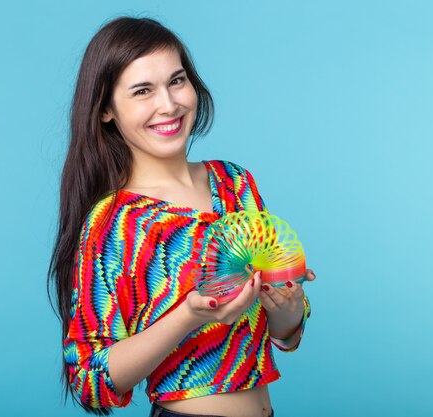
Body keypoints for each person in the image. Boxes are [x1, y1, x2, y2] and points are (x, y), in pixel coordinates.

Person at [48, 16, 315, 417]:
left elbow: (280, 334)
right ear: (106, 110)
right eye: (142, 91)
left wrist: (289, 309)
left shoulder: (235, 183)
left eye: (176, 81)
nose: (169, 105)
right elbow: (89, 379)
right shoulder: (116, 223)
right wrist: (188, 316)